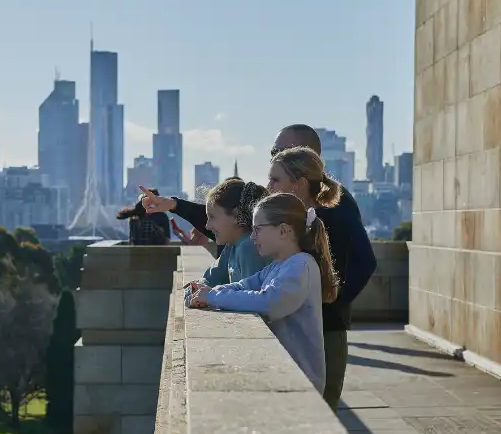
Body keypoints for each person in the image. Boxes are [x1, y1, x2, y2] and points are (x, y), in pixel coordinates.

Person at [142, 125, 376, 410]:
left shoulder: (333, 212)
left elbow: (365, 261)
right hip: (294, 323)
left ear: (300, 173)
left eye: (278, 154)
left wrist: (329, 299)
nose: (270, 180)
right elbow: (232, 216)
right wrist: (174, 205)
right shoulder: (282, 233)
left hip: (326, 328)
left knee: (322, 416)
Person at [186, 192, 338, 395]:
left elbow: (269, 302)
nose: (252, 236)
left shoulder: (300, 266)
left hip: (301, 381)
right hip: (288, 376)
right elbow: (244, 285)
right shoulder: (280, 265)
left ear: (283, 231)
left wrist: (212, 297)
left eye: (258, 229)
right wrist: (210, 292)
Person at [157, 179, 269, 303]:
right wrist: (195, 291)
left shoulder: (249, 247)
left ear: (237, 217)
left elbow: (252, 300)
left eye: (212, 217)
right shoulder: (232, 246)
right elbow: (208, 280)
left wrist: (209, 296)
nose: (207, 226)